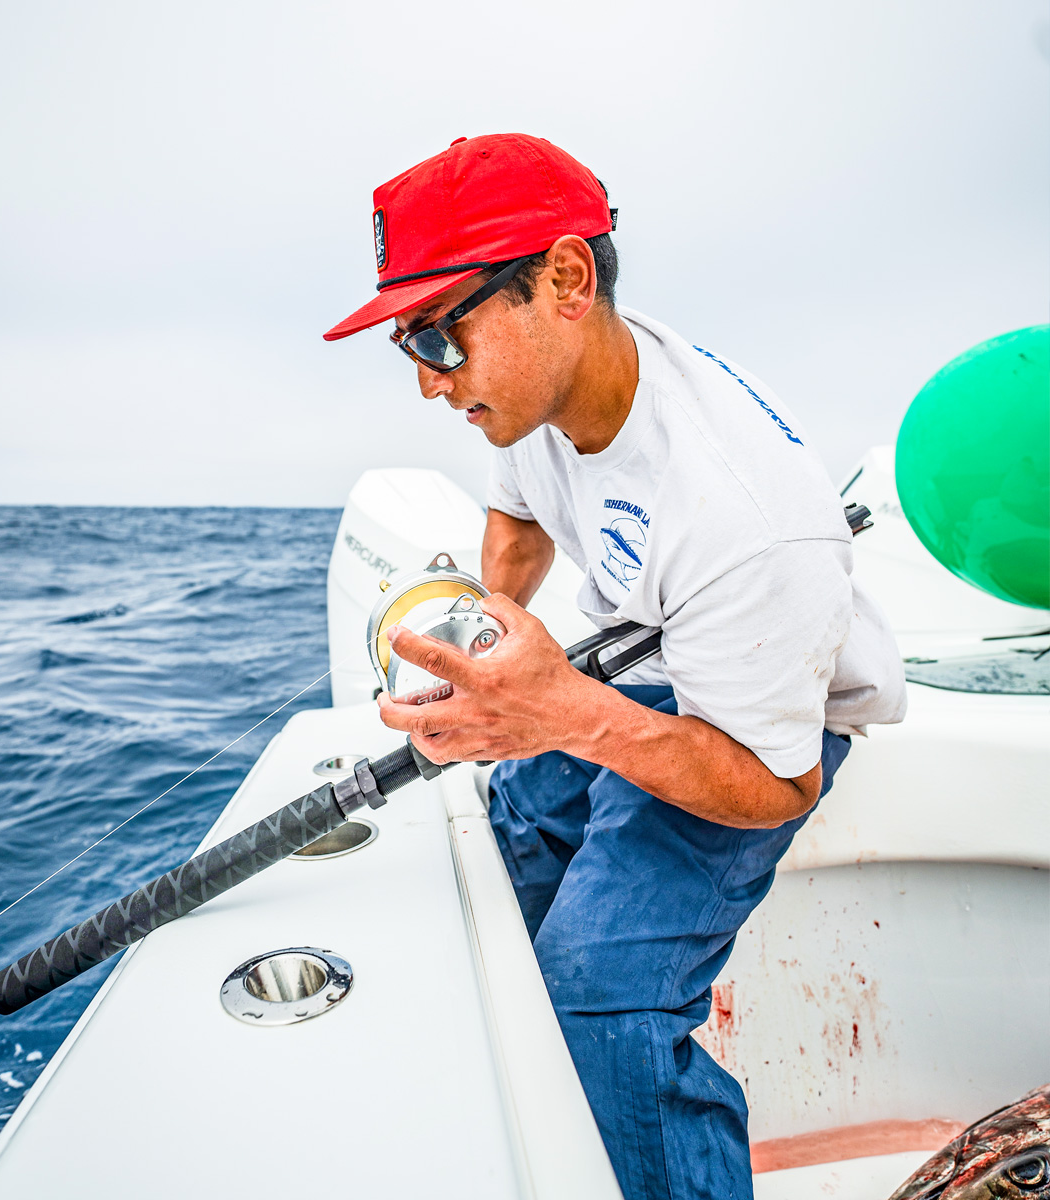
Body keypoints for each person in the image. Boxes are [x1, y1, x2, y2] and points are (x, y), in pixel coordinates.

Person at [323, 133, 907, 1200]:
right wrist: (491, 653)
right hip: (641, 673)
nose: (426, 383)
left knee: (602, 988)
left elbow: (779, 784)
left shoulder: (752, 521)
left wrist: (562, 717)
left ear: (566, 280)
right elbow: (518, 520)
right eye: (406, 343)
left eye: (438, 338)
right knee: (501, 849)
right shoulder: (532, 387)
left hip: (758, 728)